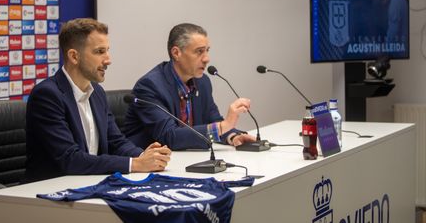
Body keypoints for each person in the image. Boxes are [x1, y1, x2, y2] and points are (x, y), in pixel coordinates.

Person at [25, 18, 171, 182]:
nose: (108, 60)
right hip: (48, 193)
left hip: (89, 184)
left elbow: (116, 141)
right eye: (100, 52)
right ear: (74, 56)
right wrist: (136, 164)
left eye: (107, 51)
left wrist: (145, 156)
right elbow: (70, 160)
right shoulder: (47, 95)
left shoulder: (97, 93)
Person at [123, 23, 257, 150]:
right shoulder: (150, 86)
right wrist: (225, 126)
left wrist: (232, 136)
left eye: (207, 51)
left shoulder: (202, 82)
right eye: (199, 52)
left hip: (186, 159)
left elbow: (213, 119)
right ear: (176, 53)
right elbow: (169, 137)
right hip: (145, 166)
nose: (206, 59)